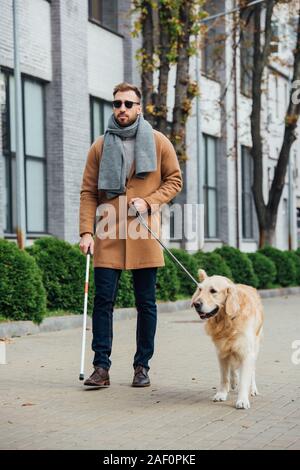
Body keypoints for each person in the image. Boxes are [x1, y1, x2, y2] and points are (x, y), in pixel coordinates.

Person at [79, 82, 182, 388]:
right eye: (116, 104)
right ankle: (101, 367)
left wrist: (149, 201)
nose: (121, 109)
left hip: (143, 231)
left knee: (146, 303)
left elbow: (174, 180)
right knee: (103, 301)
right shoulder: (99, 146)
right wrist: (86, 231)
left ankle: (142, 366)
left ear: (139, 108)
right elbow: (88, 192)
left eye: (127, 104)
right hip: (107, 232)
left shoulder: (159, 141)